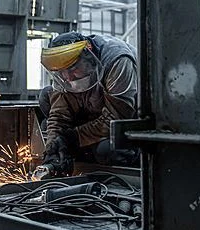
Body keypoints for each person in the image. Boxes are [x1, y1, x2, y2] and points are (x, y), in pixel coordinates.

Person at [37, 32, 138, 177]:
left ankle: (132, 153)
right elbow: (59, 114)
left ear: (88, 56)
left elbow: (117, 117)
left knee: (106, 150)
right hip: (95, 113)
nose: (68, 77)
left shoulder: (117, 60)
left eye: (73, 68)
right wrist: (53, 147)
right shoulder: (63, 74)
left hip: (125, 119)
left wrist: (73, 138)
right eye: (62, 72)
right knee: (46, 99)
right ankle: (84, 149)